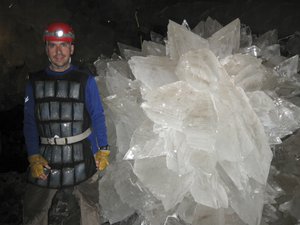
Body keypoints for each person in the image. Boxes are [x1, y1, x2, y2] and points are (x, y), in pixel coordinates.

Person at [23, 22, 109, 225]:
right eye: (53, 45)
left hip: (82, 154)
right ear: (46, 49)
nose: (58, 51)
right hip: (46, 157)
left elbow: (97, 115)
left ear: (72, 48)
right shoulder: (34, 82)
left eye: (63, 45)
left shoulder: (85, 80)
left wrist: (102, 149)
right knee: (34, 211)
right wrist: (33, 155)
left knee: (91, 206)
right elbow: (29, 121)